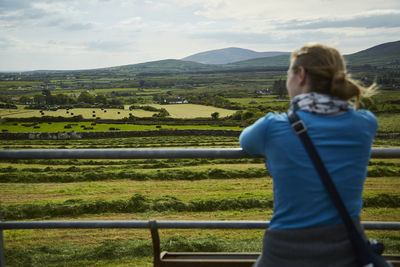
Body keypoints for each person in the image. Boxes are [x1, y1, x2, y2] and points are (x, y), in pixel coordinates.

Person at [239, 43, 378, 266]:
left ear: (301, 75)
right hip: (347, 248)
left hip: (286, 250)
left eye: (288, 73)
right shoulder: (365, 123)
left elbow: (245, 142)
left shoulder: (271, 127)